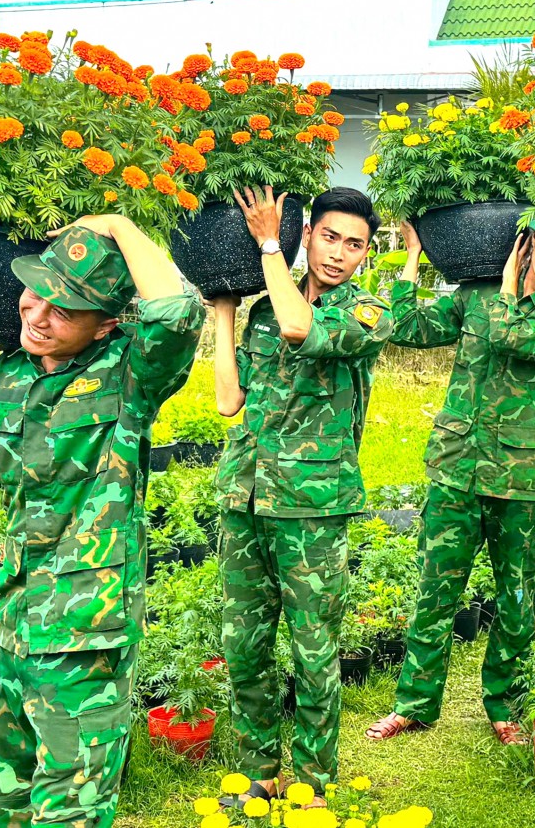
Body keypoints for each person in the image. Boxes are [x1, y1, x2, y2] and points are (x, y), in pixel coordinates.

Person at [0, 215, 203, 828]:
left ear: (107, 324)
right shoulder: (13, 375)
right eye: (35, 293)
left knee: (71, 807)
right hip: (17, 614)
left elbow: (176, 314)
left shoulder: (129, 373)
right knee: (9, 796)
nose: (37, 314)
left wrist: (120, 225)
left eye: (63, 309)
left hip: (84, 628)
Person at [367, 216, 535, 746]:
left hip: (523, 475)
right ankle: (414, 704)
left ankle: (506, 706)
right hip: (457, 465)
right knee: (435, 589)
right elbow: (407, 328)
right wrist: (412, 256)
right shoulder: (476, 295)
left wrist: (509, 283)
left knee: (516, 596)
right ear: (529, 238)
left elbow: (509, 334)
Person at [211, 185, 392, 805]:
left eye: (354, 245)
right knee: (244, 644)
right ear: (308, 234)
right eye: (329, 237)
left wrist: (269, 244)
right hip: (246, 494)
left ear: (366, 255)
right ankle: (258, 770)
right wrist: (224, 310)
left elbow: (299, 326)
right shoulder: (264, 310)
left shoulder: (368, 313)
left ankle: (313, 782)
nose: (338, 254)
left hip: (312, 506)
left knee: (313, 649)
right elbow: (228, 400)